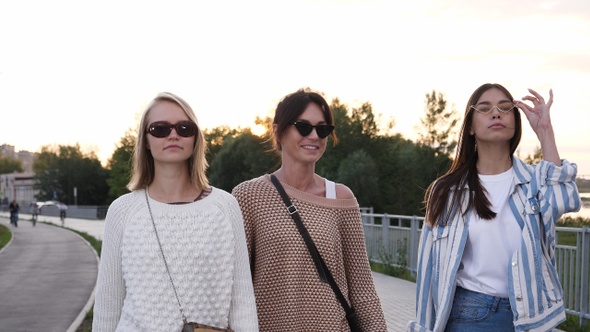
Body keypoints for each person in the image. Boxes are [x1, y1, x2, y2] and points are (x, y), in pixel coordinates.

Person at [407, 84, 581, 332]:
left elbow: (563, 200)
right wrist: (423, 327)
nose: (496, 113)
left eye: (505, 108)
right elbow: (428, 269)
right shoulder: (446, 191)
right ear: (470, 126)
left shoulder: (533, 182)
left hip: (534, 318)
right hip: (470, 315)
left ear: (515, 121)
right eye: (485, 109)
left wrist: (544, 130)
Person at [92, 92, 258, 331]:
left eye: (184, 128)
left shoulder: (224, 206)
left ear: (195, 138)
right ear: (146, 141)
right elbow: (108, 306)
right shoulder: (123, 211)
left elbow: (241, 301)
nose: (173, 135)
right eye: (160, 129)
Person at [232, 88, 387, 331]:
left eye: (322, 129)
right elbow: (235, 284)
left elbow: (362, 288)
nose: (314, 135)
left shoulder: (341, 198)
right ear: (277, 131)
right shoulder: (249, 196)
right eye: (303, 127)